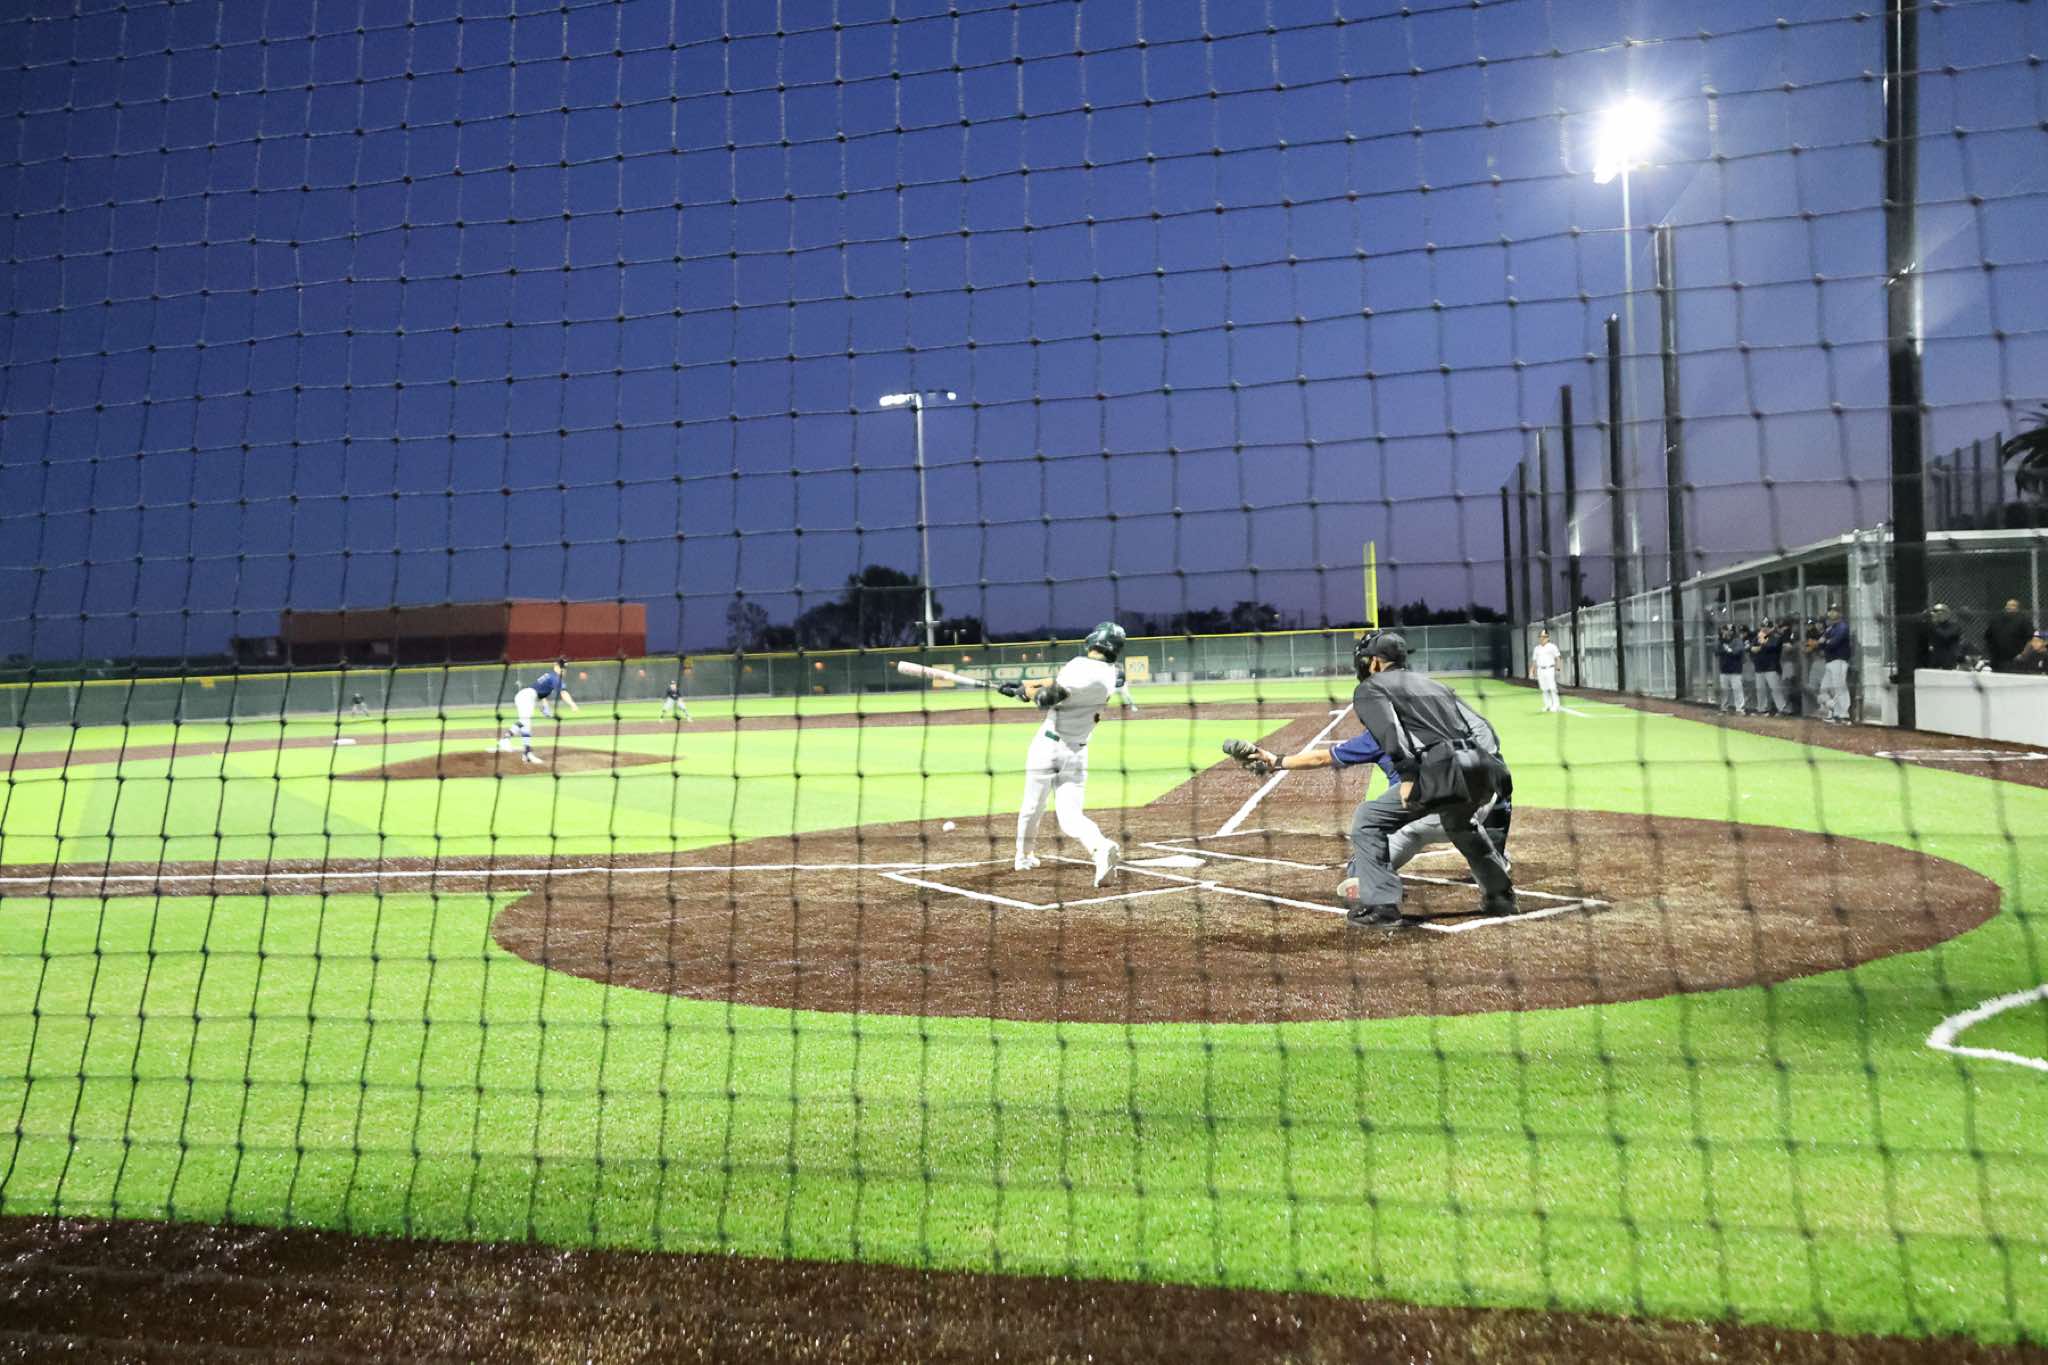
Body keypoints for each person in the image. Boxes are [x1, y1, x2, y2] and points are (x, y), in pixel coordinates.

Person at [1224, 631, 1514, 927]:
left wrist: (1408, 775)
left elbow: (1389, 731)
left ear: (1375, 662)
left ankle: (1383, 906)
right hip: (1482, 768)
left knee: (1368, 819)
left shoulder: (1372, 688)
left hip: (1439, 772)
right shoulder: (1434, 685)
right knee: (1461, 824)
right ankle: (1500, 897)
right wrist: (1492, 771)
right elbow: (1482, 728)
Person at [1000, 622, 1127, 885]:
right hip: (1078, 753)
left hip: (1048, 748)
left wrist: (1023, 692)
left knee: (1032, 806)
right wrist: (1025, 684)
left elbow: (1045, 698)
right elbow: (1060, 683)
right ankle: (1100, 846)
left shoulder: (1079, 666)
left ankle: (1024, 857)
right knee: (1070, 816)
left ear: (1094, 640)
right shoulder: (1113, 674)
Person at [498, 658, 578, 764]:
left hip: (526, 695)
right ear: (555, 666)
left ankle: (520, 749)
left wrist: (545, 707)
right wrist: (572, 704)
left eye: (564, 668)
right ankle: (514, 746)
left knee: (525, 722)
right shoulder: (555, 678)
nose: (563, 670)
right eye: (561, 667)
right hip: (527, 696)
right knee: (526, 722)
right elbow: (563, 693)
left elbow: (540, 694)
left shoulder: (549, 676)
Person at [1816, 608, 1852, 724]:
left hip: (1839, 660)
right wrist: (1825, 641)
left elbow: (1834, 642)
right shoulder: (1830, 629)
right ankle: (1834, 712)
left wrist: (1825, 641)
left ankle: (1844, 715)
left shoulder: (1843, 626)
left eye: (1835, 611)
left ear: (1840, 614)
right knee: (1824, 688)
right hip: (1830, 661)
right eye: (1831, 611)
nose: (1832, 613)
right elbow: (1820, 644)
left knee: (1840, 687)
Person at [1750, 620, 1790, 715]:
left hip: (1771, 667)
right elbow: (1751, 648)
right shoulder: (1757, 637)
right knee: (1760, 690)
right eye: (1763, 626)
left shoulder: (1775, 637)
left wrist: (1761, 644)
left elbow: (1772, 646)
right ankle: (1762, 709)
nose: (1764, 629)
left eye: (1767, 627)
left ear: (1771, 628)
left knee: (1775, 689)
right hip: (1759, 667)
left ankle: (1782, 709)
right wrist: (1756, 646)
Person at [1987, 599, 2035, 672]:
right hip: (1997, 660)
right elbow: (1988, 637)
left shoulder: (2024, 620)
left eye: (2013, 605)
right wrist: (1991, 653)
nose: (2009, 607)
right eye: (2008, 605)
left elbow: (2031, 639)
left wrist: (2023, 654)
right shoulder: (1997, 620)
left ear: (2018, 608)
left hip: (2015, 660)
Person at [1716, 623, 1748, 714]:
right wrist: (1725, 647)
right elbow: (1716, 651)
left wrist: (1727, 650)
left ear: (1732, 631)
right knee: (1724, 691)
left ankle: (1740, 709)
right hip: (1724, 670)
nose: (1725, 632)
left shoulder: (1738, 640)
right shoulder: (1721, 641)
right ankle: (1724, 708)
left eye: (1727, 630)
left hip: (1735, 670)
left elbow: (1736, 652)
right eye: (1725, 630)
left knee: (1737, 690)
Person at [1923, 603, 1965, 670]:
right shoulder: (1931, 626)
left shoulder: (1954, 626)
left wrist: (1933, 624)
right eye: (1934, 612)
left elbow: (1945, 636)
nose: (1936, 614)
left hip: (1948, 658)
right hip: (1933, 657)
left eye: (1938, 612)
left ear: (1947, 614)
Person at [1529, 629, 1563, 712]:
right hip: (1540, 669)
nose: (1542, 638)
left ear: (1548, 638)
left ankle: (1556, 705)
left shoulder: (1552, 646)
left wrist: (1558, 667)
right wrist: (1531, 671)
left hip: (1549, 668)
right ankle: (1547, 705)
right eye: (1541, 637)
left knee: (1552, 687)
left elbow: (1558, 657)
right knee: (1544, 688)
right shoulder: (1537, 648)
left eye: (1544, 637)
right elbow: (1534, 661)